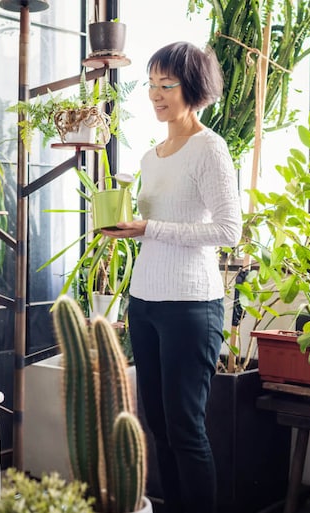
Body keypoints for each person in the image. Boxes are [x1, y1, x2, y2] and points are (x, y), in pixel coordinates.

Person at [101, 41, 242, 513]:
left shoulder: (210, 148)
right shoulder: (151, 156)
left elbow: (228, 231)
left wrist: (150, 228)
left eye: (168, 85)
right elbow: (159, 230)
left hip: (190, 306)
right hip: (144, 303)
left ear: (193, 89)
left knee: (186, 428)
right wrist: (129, 231)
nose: (156, 95)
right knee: (158, 426)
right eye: (152, 84)